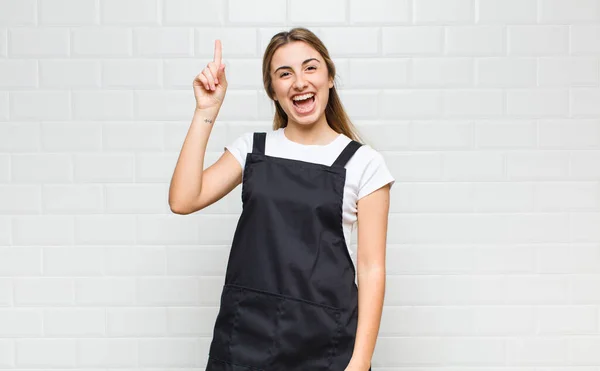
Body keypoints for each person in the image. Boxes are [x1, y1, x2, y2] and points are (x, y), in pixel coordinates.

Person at [169, 27, 394, 371]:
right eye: (284, 73)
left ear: (330, 77)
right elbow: (183, 199)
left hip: (325, 346)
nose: (299, 81)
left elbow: (371, 269)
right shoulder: (251, 150)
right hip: (244, 339)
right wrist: (206, 109)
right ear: (273, 90)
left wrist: (360, 362)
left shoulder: (364, 164)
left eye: (310, 67)